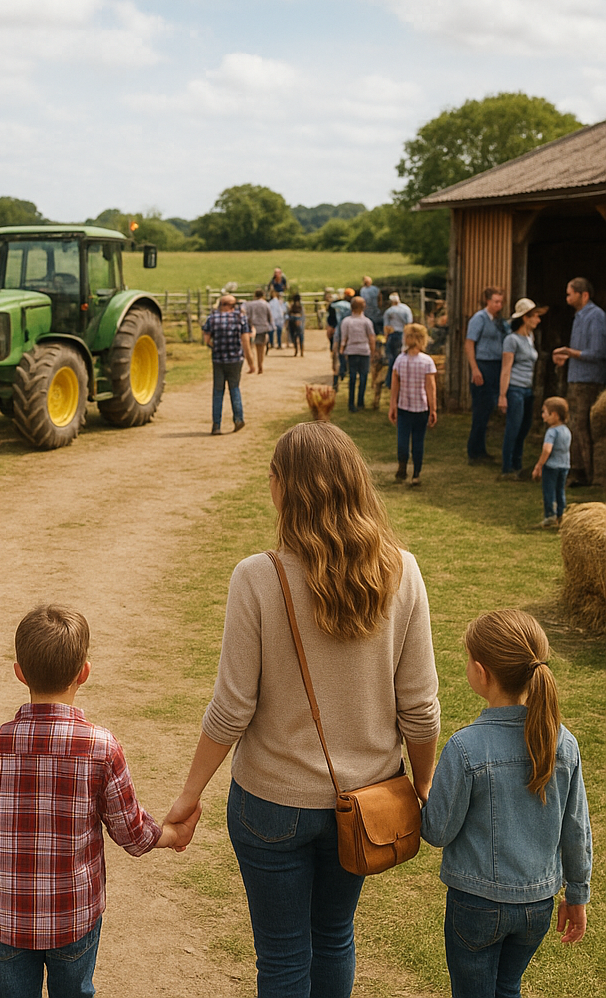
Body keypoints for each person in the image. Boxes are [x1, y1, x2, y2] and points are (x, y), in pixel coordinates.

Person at [164, 421, 440, 998]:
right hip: (366, 802)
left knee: (283, 957)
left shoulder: (256, 577)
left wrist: (188, 796)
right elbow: (420, 708)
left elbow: (231, 709)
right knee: (334, 936)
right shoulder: (403, 571)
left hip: (271, 802)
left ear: (281, 485)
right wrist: (423, 783)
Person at [0, 604, 198, 998]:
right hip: (74, 918)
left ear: (19, 672)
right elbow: (132, 834)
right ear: (84, 672)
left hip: (9, 919)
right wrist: (174, 834)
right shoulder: (102, 748)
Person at [421, 610, 591, 998]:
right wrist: (577, 895)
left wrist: (422, 798)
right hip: (537, 907)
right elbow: (577, 830)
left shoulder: (465, 748)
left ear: (481, 672)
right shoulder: (564, 743)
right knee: (507, 988)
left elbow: (437, 831)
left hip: (475, 906)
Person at [552, 277, 606, 487]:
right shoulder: (579, 317)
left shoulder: (596, 317)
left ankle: (591, 474)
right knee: (574, 425)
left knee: (584, 426)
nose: (567, 297)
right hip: (576, 378)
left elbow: (598, 352)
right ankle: (577, 470)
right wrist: (566, 358)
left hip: (588, 381)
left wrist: (569, 352)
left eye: (570, 293)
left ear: (583, 295)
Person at [498, 298, 546, 481]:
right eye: (535, 316)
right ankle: (507, 468)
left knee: (524, 427)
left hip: (527, 389)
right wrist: (503, 395)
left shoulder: (530, 338)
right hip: (515, 388)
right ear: (525, 318)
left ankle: (517, 464)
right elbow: (506, 369)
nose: (538, 320)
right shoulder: (511, 340)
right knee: (513, 427)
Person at [388, 323, 437, 487]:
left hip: (407, 407)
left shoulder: (401, 360)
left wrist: (393, 405)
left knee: (405, 440)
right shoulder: (425, 361)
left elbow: (395, 384)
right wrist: (433, 409)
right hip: (417, 408)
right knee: (415, 442)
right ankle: (413, 472)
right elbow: (430, 387)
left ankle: (405, 468)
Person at [465, 287, 508, 465]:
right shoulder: (479, 318)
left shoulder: (499, 321)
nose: (499, 305)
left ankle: (481, 449)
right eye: (496, 302)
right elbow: (469, 344)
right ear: (488, 301)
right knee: (481, 409)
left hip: (497, 365)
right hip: (483, 364)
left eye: (501, 302)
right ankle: (474, 452)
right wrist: (475, 369)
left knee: (488, 408)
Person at [202, 294, 252, 435]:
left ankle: (216, 425)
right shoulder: (240, 318)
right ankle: (238, 419)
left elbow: (206, 339)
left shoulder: (212, 318)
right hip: (235, 359)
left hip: (218, 360)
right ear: (231, 305)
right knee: (234, 388)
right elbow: (245, 341)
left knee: (218, 392)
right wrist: (251, 362)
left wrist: (214, 346)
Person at [532, 396, 571, 529]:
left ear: (554, 415)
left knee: (549, 491)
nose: (542, 415)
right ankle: (561, 515)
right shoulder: (566, 430)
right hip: (564, 465)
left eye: (544, 412)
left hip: (551, 466)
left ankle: (550, 516)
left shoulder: (552, 432)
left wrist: (539, 465)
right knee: (560, 491)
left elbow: (547, 449)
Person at [340, 296, 376, 412]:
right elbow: (371, 337)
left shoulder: (347, 321)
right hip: (364, 350)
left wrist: (342, 349)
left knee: (352, 377)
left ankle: (351, 403)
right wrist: (373, 351)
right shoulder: (366, 322)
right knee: (363, 377)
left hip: (352, 350)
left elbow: (344, 337)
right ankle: (360, 402)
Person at [383, 292, 413, 389]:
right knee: (402, 358)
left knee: (392, 359)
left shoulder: (389, 311)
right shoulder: (406, 309)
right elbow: (409, 323)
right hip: (402, 334)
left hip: (392, 335)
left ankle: (389, 381)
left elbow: (386, 327)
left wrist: (386, 337)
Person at [243, 288, 273, 372]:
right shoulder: (266, 304)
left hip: (252, 328)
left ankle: (252, 365)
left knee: (251, 348)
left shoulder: (250, 304)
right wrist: (271, 326)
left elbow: (247, 316)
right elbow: (270, 316)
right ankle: (260, 365)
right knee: (261, 348)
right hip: (263, 327)